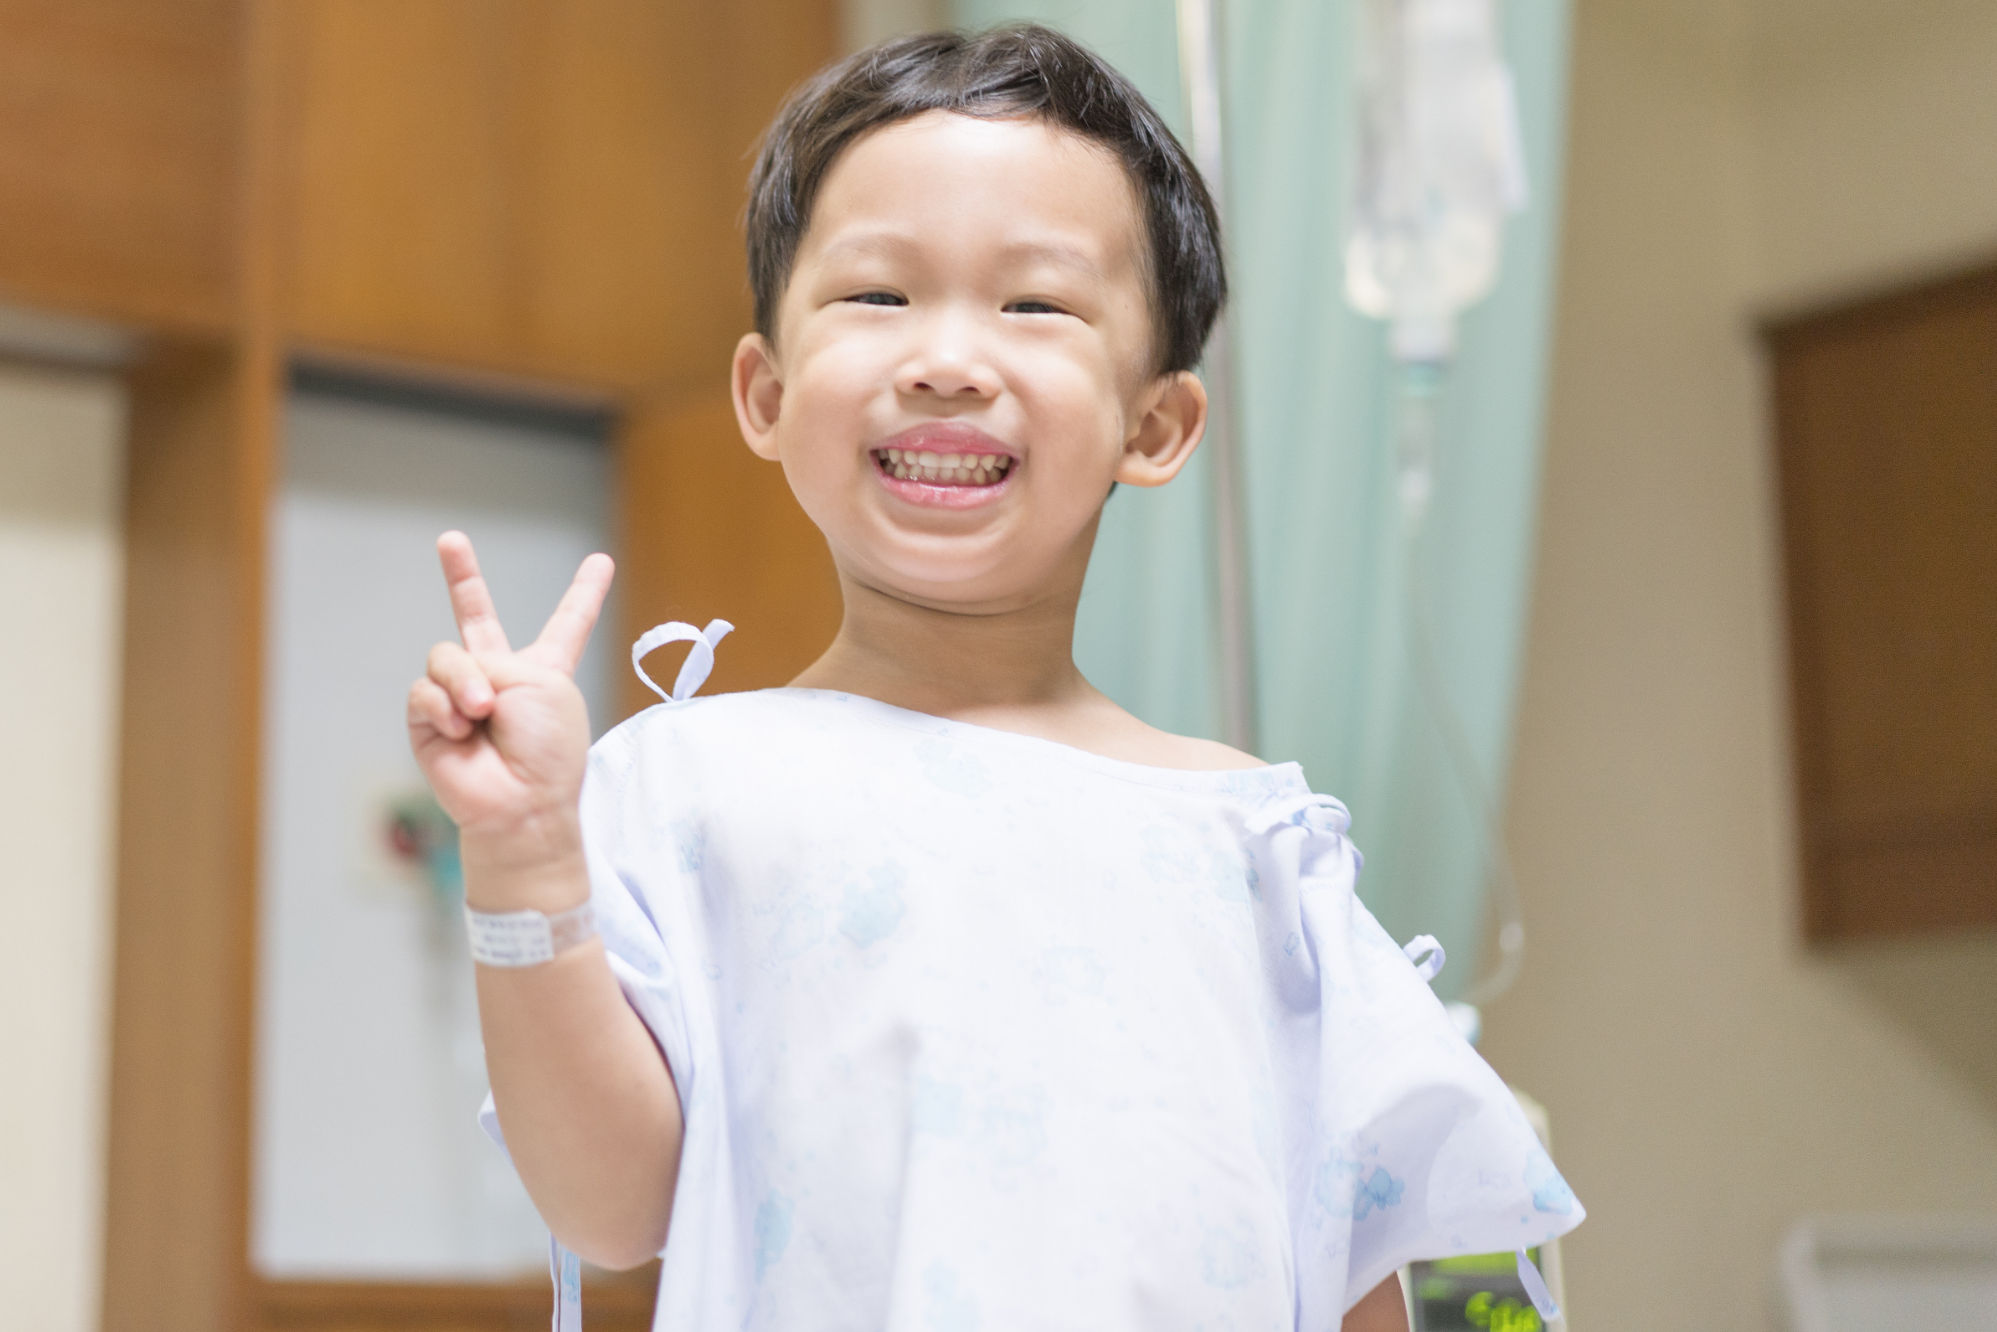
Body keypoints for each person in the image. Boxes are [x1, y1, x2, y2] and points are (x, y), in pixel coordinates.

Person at [407, 25, 1581, 1332]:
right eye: (877, 296)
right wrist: (521, 866)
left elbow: (1356, 1249)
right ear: (766, 393)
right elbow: (611, 1210)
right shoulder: (693, 786)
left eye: (1034, 304)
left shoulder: (1253, 839)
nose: (947, 358)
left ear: (1155, 425)